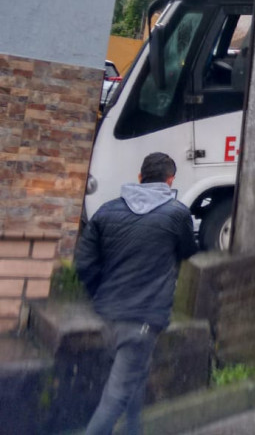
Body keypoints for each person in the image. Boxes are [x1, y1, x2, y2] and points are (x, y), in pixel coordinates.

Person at [75, 152, 198, 435]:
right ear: (170, 181)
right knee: (116, 396)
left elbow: (84, 263)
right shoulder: (177, 214)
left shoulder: (106, 211)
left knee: (135, 375)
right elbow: (188, 252)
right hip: (143, 319)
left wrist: (100, 294)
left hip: (108, 316)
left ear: (140, 177)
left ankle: (134, 429)